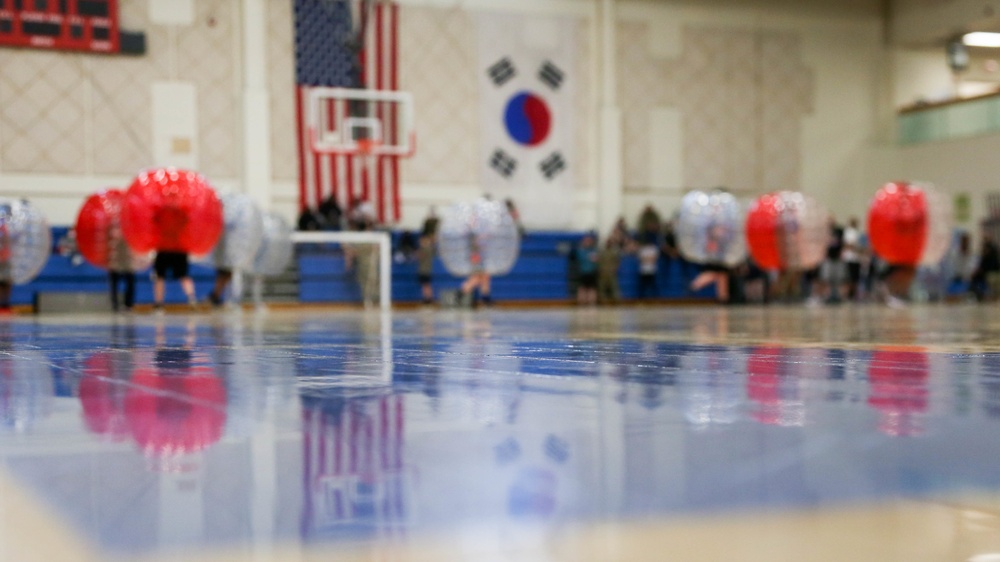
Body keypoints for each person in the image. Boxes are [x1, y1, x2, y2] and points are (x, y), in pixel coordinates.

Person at [107, 221, 136, 312]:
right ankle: (115, 305)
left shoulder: (129, 229)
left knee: (130, 283)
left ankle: (128, 304)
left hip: (127, 263)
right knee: (114, 284)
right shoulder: (111, 228)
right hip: (115, 262)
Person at [461, 233, 492, 307]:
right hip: (475, 269)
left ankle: (485, 300)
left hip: (477, 268)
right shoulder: (472, 248)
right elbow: (474, 261)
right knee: (475, 281)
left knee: (484, 280)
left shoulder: (475, 248)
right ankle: (462, 296)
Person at [597, 238, 623, 304]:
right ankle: (603, 302)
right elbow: (599, 261)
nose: (608, 244)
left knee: (614, 287)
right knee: (602, 288)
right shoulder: (602, 251)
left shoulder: (614, 251)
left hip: (611, 272)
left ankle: (618, 302)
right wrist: (600, 269)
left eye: (609, 242)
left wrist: (616, 268)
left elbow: (618, 261)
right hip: (603, 272)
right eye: (607, 242)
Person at [574, 233, 598, 305]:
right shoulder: (581, 251)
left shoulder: (593, 250)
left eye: (589, 241)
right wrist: (589, 258)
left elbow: (596, 259)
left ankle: (591, 302)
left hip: (592, 272)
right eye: (586, 241)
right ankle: (582, 302)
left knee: (592, 288)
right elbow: (580, 258)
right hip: (583, 272)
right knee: (582, 288)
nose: (587, 242)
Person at [842, 217, 863, 301]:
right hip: (850, 258)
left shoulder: (856, 233)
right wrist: (858, 249)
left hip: (856, 258)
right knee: (849, 278)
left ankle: (853, 294)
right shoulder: (849, 232)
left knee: (855, 278)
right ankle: (848, 294)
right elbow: (849, 245)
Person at [417, 234, 435, 305]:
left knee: (426, 285)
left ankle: (428, 298)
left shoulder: (425, 249)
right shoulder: (427, 249)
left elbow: (419, 256)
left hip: (425, 270)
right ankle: (427, 298)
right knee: (425, 285)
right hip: (425, 270)